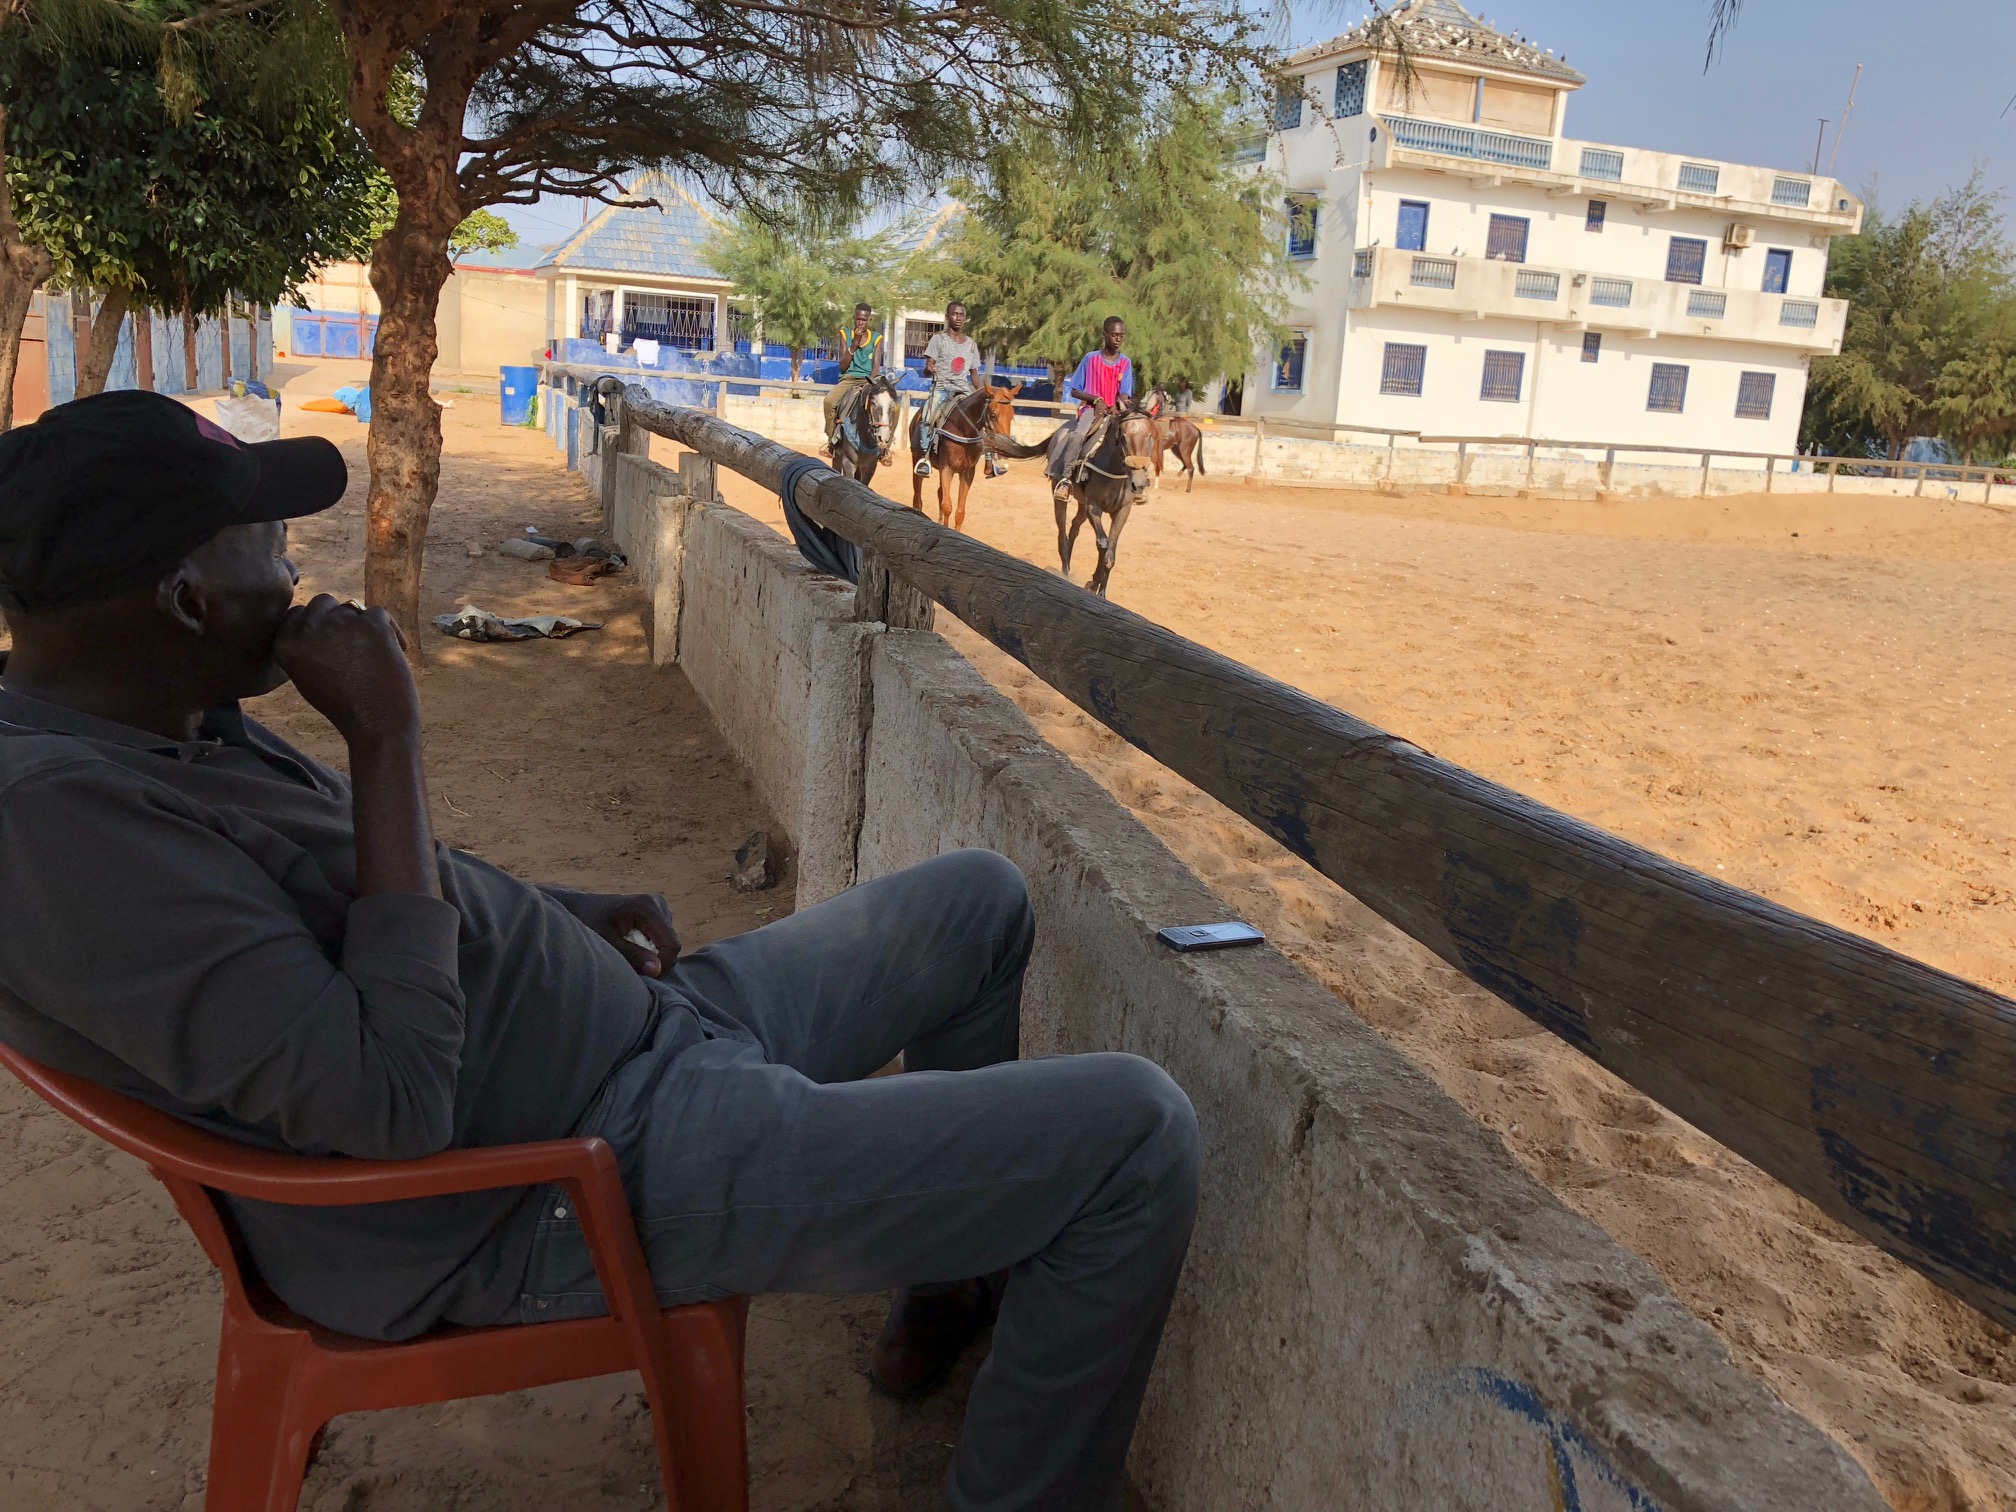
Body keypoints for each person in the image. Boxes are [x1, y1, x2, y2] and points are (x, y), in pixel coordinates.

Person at [0, 391, 1201, 1512]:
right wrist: (386, 740)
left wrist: (554, 913)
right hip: (562, 1181)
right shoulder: (59, 832)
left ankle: (949, 1273)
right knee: (1135, 1138)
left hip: (641, 1045)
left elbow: (367, 900)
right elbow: (392, 1100)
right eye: (267, 545)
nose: (296, 571)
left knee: (978, 904)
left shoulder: (159, 717)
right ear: (184, 598)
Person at [1046, 316, 1135, 504]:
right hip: (1091, 410)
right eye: (1114, 335)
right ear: (1105, 335)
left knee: (1135, 435)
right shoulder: (1090, 359)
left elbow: (1125, 392)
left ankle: (1138, 483)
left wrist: (1118, 402)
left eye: (1121, 336)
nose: (1118, 339)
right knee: (1078, 435)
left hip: (1115, 412)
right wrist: (1096, 400)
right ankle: (1065, 480)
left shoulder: (1125, 362)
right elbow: (1076, 389)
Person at [915, 301, 1001, 479]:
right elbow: (927, 366)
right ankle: (924, 458)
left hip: (963, 389)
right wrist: (929, 368)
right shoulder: (938, 340)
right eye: (955, 314)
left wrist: (984, 393)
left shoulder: (971, 344)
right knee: (927, 416)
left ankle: (991, 461)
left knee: (985, 415)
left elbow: (974, 374)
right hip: (942, 388)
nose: (959, 318)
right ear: (947, 317)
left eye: (961, 315)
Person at [822, 302, 883, 451]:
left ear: (869, 320)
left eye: (864, 319)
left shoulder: (876, 338)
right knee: (829, 401)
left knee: (891, 406)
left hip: (869, 379)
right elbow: (843, 365)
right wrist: (854, 343)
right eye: (858, 319)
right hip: (849, 379)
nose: (860, 322)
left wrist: (870, 382)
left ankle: (885, 446)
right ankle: (831, 440)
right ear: (854, 318)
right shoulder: (845, 334)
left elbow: (876, 365)